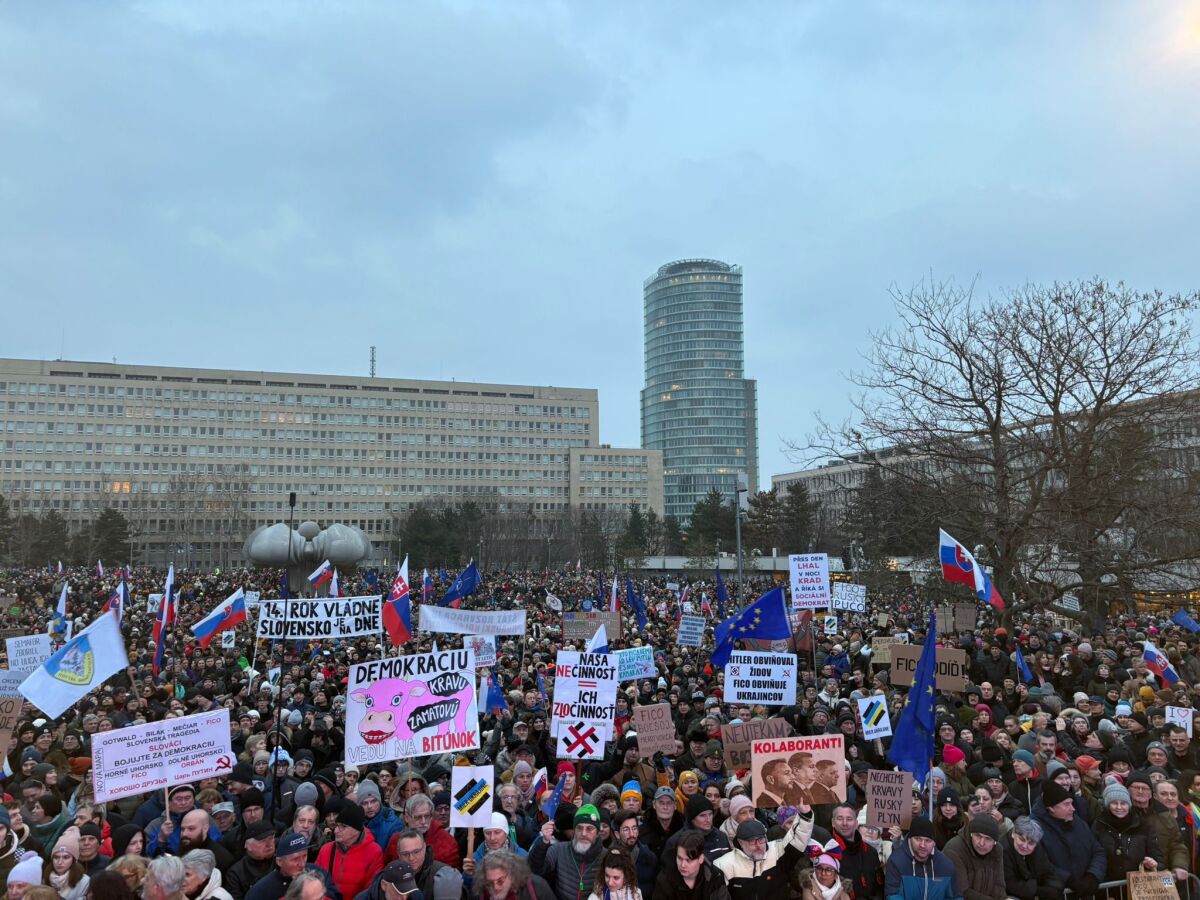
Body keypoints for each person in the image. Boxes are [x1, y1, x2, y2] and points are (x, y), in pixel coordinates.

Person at [713, 806, 814, 900]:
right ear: (740, 842)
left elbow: (798, 838)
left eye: (761, 840)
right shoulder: (723, 865)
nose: (758, 845)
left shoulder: (777, 851)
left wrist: (806, 815)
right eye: (751, 841)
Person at [1032, 780, 1105, 898]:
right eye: (1067, 804)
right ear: (1051, 808)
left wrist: (1093, 875)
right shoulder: (1035, 828)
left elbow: (1097, 850)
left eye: (1072, 803)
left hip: (1086, 892)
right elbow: (1040, 862)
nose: (1073, 809)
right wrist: (1068, 880)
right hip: (1058, 893)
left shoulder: (1079, 823)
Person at [528, 805, 605, 900]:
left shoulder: (606, 856)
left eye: (589, 829)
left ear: (597, 832)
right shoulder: (559, 849)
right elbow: (536, 869)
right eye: (579, 828)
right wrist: (544, 841)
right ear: (574, 830)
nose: (583, 833)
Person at [1090, 782, 1163, 881]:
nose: (1119, 807)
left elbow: (1157, 856)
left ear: (1129, 805)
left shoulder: (1143, 825)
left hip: (1140, 884)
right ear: (1107, 805)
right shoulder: (1099, 825)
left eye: (1123, 803)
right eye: (1114, 803)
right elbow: (1094, 855)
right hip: (1108, 884)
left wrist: (1152, 864)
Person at [315, 802, 384, 900]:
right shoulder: (326, 849)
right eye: (337, 825)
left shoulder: (374, 852)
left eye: (343, 826)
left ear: (356, 830)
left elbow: (371, 890)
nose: (336, 830)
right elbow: (315, 882)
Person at [883, 816, 961, 900]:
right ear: (910, 839)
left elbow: (955, 897)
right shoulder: (896, 861)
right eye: (918, 839)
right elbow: (893, 895)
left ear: (934, 843)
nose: (922, 845)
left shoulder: (946, 865)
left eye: (928, 840)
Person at [942, 815, 1004, 900]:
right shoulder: (954, 850)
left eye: (988, 839)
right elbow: (961, 892)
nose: (981, 843)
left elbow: (999, 885)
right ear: (971, 834)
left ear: (994, 842)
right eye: (978, 836)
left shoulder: (997, 850)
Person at [652, 832, 729, 900]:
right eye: (679, 858)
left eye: (688, 860)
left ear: (701, 859)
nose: (682, 865)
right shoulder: (664, 880)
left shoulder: (715, 877)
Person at [1000, 816, 1063, 900]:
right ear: (1013, 833)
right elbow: (1009, 883)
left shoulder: (1037, 849)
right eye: (1022, 839)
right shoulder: (1002, 850)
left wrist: (1053, 887)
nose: (1025, 846)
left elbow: (1047, 870)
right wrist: (1037, 890)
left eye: (1031, 843)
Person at [393, 830, 466, 900]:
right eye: (405, 854)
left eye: (416, 852)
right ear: (399, 854)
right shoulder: (392, 876)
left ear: (424, 848)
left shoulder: (445, 876)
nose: (411, 858)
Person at [245, 832, 312, 900]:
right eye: (295, 859)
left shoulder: (315, 873)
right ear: (279, 862)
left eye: (304, 856)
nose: (302, 864)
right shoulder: (260, 892)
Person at [224, 822, 278, 900]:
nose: (269, 845)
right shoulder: (236, 874)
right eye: (262, 841)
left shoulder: (282, 861)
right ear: (247, 845)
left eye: (271, 838)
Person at [473, 850, 555, 900]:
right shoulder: (480, 894)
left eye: (500, 881)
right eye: (489, 883)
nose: (495, 887)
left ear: (512, 875)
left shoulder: (536, 887)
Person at [44, 830, 90, 900]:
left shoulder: (84, 882)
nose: (60, 862)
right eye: (56, 857)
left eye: (66, 857)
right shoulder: (44, 878)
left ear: (74, 860)